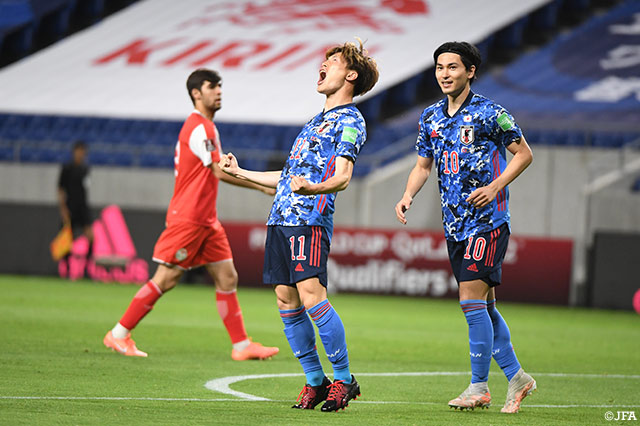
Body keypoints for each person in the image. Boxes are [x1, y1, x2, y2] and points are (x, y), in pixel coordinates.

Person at [219, 39, 379, 411]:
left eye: (333, 61)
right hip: (280, 219)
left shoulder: (351, 121)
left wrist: (312, 189)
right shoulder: (313, 123)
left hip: (310, 220)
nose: (323, 66)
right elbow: (288, 177)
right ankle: (315, 381)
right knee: (285, 299)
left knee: (312, 297)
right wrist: (240, 172)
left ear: (351, 75)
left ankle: (344, 380)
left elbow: (342, 177)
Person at [394, 41, 535, 414]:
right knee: (484, 306)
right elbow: (423, 165)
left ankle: (478, 387)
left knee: (470, 301)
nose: (444, 74)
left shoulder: (491, 113)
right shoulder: (430, 117)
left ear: (470, 71)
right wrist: (407, 194)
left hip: (487, 222)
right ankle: (518, 378)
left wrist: (495, 186)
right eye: (440, 67)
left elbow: (524, 154)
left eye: (453, 67)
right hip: (454, 226)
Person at [103, 68, 279, 361]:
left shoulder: (206, 127)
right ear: (196, 93)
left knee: (227, 277)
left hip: (206, 219)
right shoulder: (200, 128)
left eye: (220, 86)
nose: (219, 91)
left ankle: (241, 346)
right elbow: (218, 171)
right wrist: (260, 185)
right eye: (212, 86)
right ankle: (119, 334)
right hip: (189, 217)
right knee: (166, 279)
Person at [57, 140, 92, 240]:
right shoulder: (67, 168)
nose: (81, 154)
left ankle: (89, 251)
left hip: (82, 206)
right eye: (79, 151)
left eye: (83, 152)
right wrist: (63, 208)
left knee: (90, 235)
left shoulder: (85, 169)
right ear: (74, 152)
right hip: (70, 206)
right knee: (66, 236)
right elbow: (61, 189)